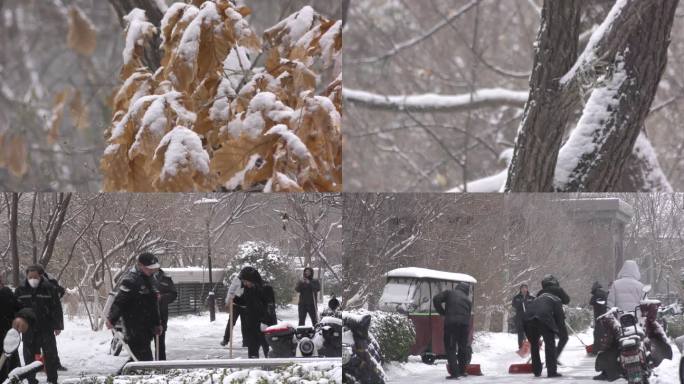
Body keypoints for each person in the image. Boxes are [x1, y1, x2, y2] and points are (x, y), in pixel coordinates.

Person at [106, 253, 163, 362]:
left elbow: (153, 304)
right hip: (134, 327)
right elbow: (119, 301)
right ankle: (125, 377)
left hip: (147, 327)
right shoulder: (130, 280)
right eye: (149, 269)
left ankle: (124, 377)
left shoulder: (151, 280)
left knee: (139, 359)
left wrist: (157, 323)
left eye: (153, 269)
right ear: (141, 266)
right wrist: (112, 318)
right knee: (143, 359)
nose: (152, 271)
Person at [14, 265, 64, 384]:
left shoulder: (49, 288)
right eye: (30, 276)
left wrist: (58, 326)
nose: (32, 279)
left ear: (40, 276)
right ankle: (31, 380)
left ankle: (52, 380)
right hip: (28, 330)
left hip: (46, 328)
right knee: (29, 358)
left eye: (35, 276)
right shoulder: (20, 289)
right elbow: (15, 309)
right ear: (26, 276)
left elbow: (56, 307)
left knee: (50, 356)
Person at [524, 276, 567, 378]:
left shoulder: (536, 299)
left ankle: (536, 371)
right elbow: (560, 320)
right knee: (550, 344)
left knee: (534, 345)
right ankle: (552, 372)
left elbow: (528, 313)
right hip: (544, 319)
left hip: (527, 320)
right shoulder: (556, 299)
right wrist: (560, 333)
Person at [0, 275, 36, 384]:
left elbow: (26, 310)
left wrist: (22, 318)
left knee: (10, 377)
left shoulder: (6, 294)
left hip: (7, 348)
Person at [433, 282, 472, 380]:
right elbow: (469, 314)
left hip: (451, 325)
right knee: (463, 347)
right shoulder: (468, 300)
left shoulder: (450, 293)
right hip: (464, 325)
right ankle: (462, 371)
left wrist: (442, 312)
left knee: (451, 348)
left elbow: (436, 299)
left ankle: (455, 373)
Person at [238, 267, 277, 358]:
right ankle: (253, 371)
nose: (245, 283)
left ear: (252, 279)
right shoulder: (246, 290)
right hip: (252, 326)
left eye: (246, 281)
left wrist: (265, 321)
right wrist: (235, 300)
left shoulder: (266, 289)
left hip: (265, 326)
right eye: (243, 281)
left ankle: (270, 369)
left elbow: (270, 307)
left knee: (269, 351)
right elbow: (245, 304)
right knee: (252, 352)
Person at [35, 265, 67, 371]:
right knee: (36, 346)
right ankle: (39, 366)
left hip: (46, 322)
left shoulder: (50, 284)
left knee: (50, 346)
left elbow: (56, 306)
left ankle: (53, 365)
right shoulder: (28, 286)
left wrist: (57, 325)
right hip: (35, 322)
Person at [153, 268, 177, 360]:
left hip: (161, 315)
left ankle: (161, 366)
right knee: (143, 345)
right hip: (145, 316)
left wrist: (162, 298)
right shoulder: (142, 277)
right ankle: (144, 367)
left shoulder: (166, 278)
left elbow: (173, 294)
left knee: (160, 344)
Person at [221, 274, 247, 348]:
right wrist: (227, 301)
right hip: (235, 304)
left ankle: (246, 341)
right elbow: (231, 290)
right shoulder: (237, 279)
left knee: (245, 324)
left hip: (245, 305)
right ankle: (226, 339)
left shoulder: (250, 280)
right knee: (231, 322)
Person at [512, 283, 534, 350]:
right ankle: (521, 347)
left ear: (527, 289)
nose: (524, 289)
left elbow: (535, 306)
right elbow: (514, 305)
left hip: (529, 318)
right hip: (520, 318)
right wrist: (520, 303)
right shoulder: (516, 298)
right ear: (520, 289)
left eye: (525, 288)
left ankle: (531, 346)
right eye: (522, 288)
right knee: (520, 333)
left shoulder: (531, 298)